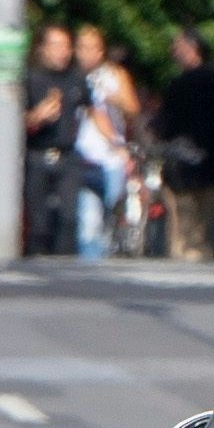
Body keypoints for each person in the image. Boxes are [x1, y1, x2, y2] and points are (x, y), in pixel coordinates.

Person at [155, 29, 214, 263]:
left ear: (191, 49)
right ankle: (198, 256)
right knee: (203, 225)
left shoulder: (180, 85)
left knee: (181, 226)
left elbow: (166, 126)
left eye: (177, 47)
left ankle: (184, 259)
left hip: (184, 168)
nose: (173, 52)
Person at [21, 25, 91, 257]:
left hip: (68, 154)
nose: (62, 52)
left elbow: (91, 111)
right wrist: (37, 116)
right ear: (42, 49)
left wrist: (115, 145)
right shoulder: (30, 79)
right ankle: (37, 263)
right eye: (56, 45)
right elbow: (15, 123)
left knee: (69, 218)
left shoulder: (76, 78)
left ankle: (67, 267)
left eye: (66, 46)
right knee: (39, 223)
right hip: (38, 153)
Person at [72, 25, 139, 259]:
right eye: (82, 47)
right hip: (83, 155)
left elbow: (132, 108)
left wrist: (113, 97)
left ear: (102, 51)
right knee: (88, 220)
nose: (87, 53)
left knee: (109, 217)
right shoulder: (72, 77)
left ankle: (106, 258)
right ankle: (90, 266)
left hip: (111, 158)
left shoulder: (114, 75)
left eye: (93, 48)